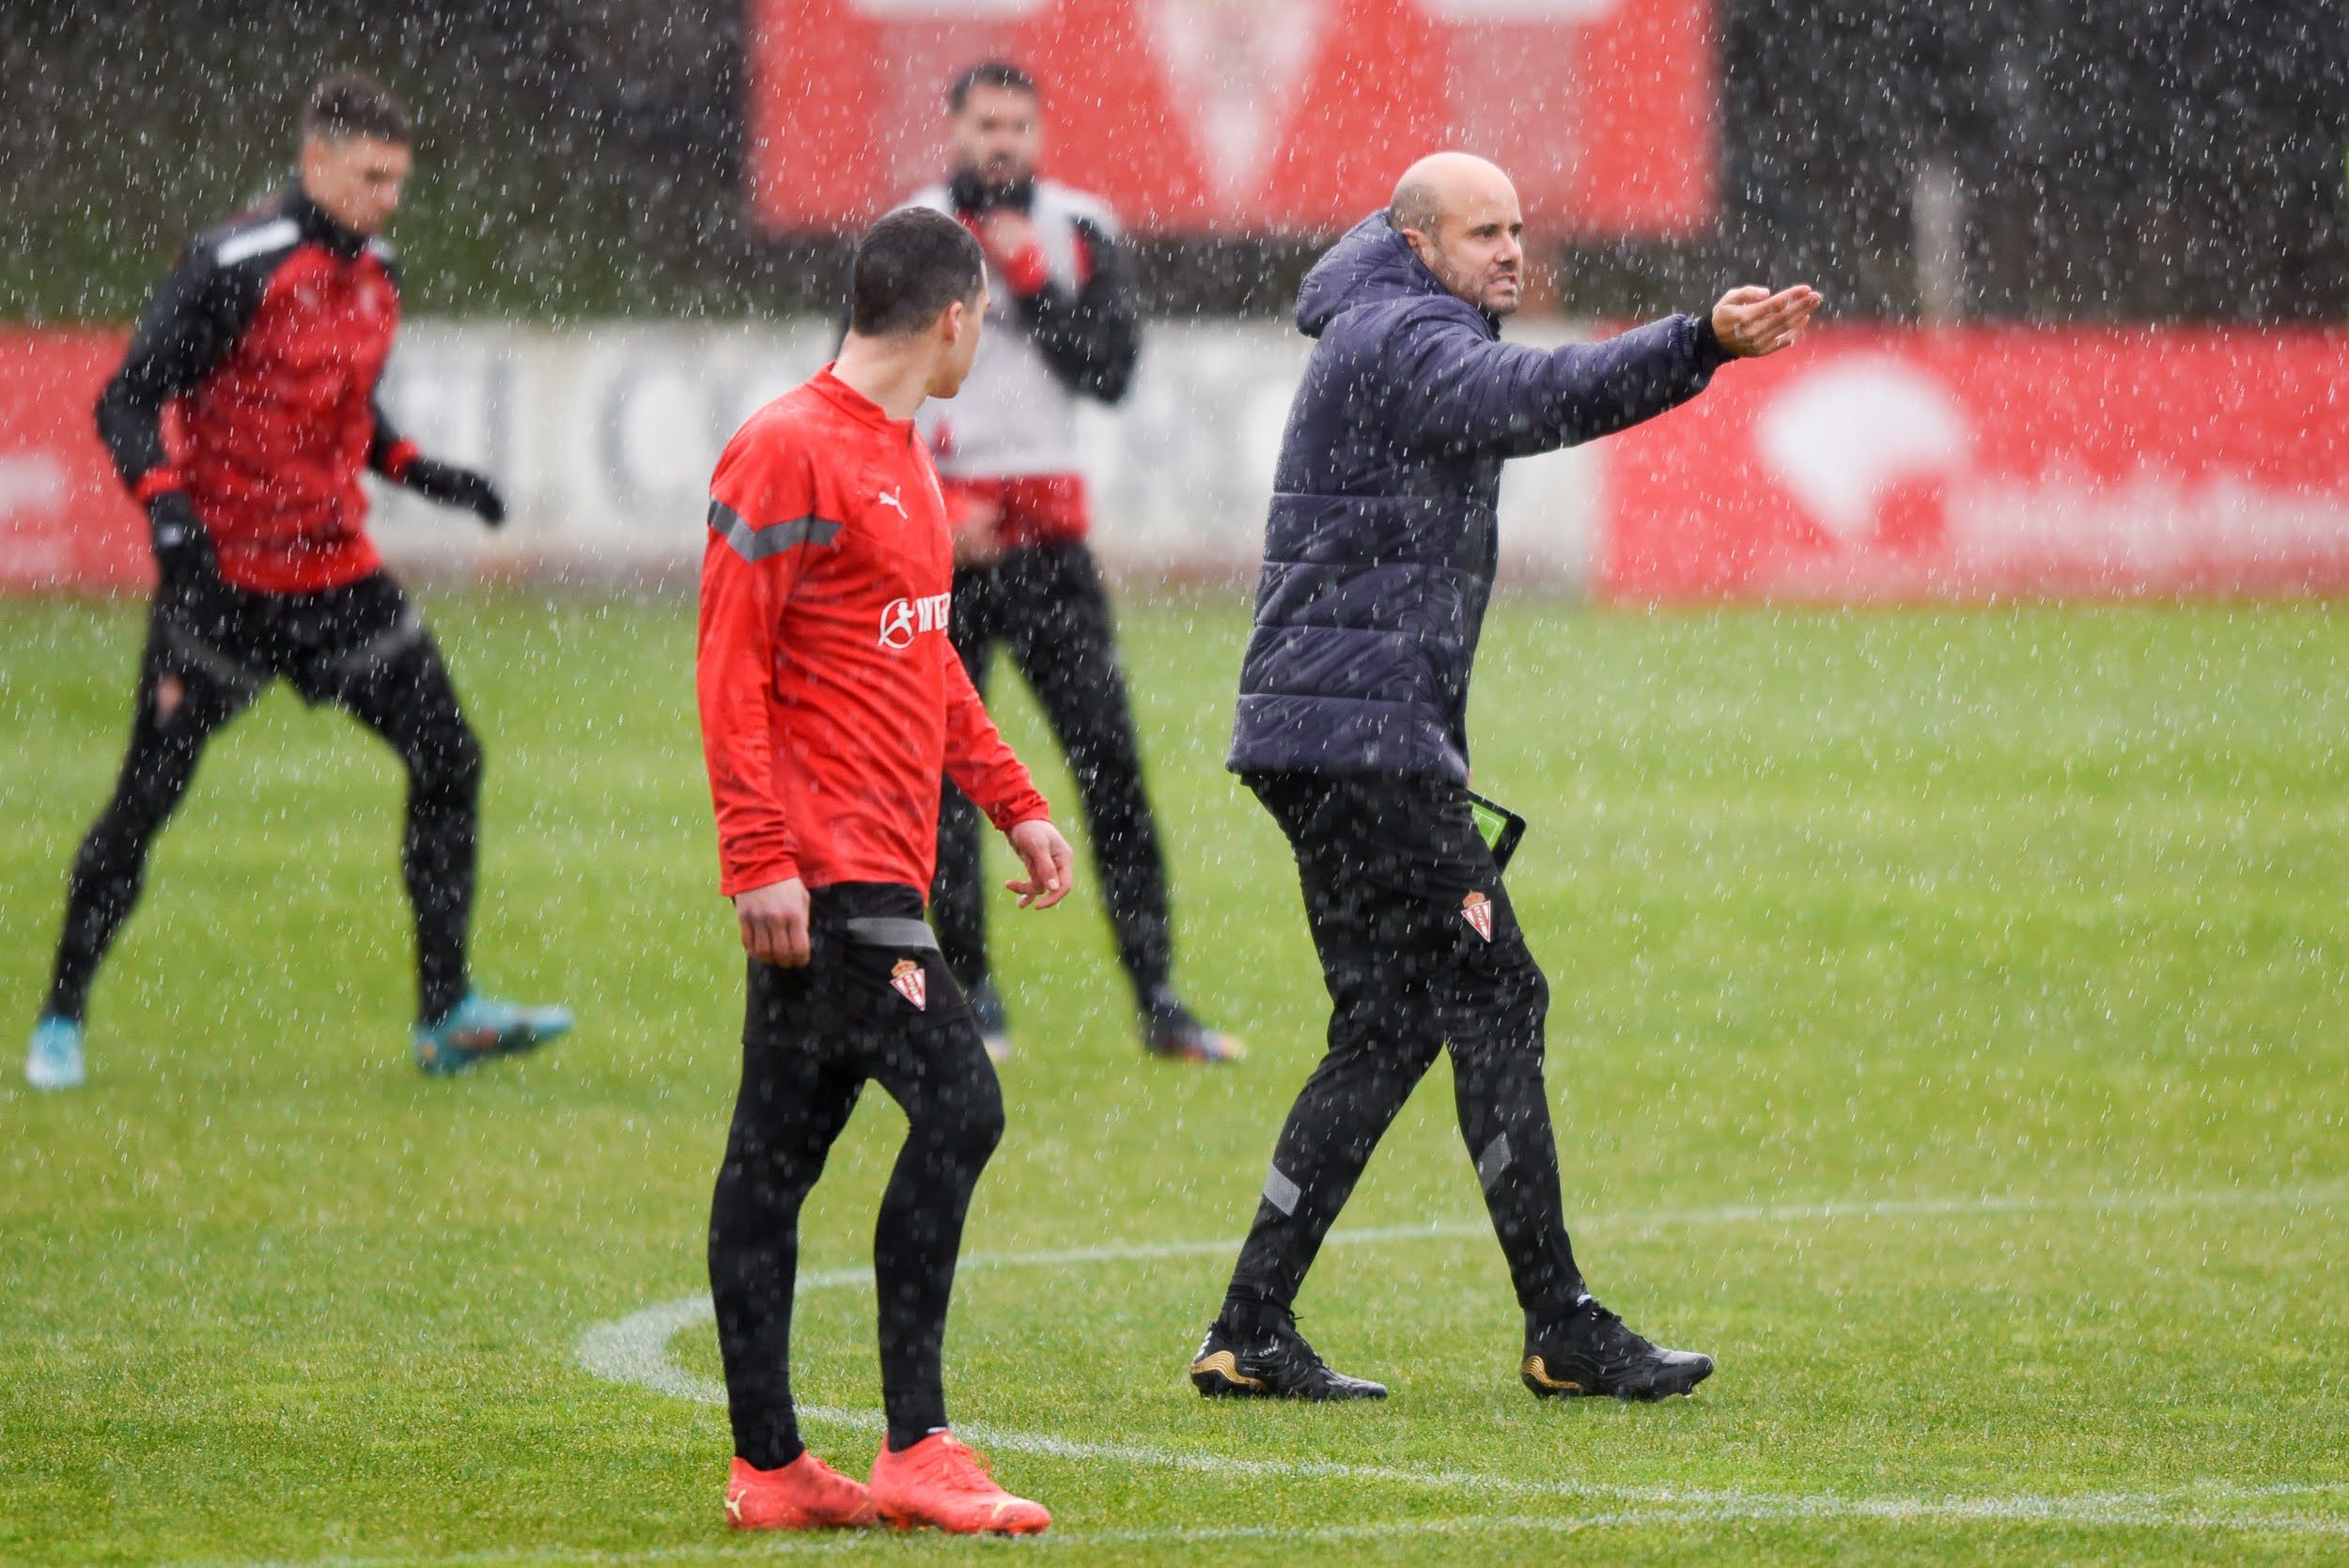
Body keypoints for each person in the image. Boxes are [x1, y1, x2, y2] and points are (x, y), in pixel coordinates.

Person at [1187, 154, 1822, 1403]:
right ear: (1417, 242)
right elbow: (1535, 395)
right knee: (1498, 996)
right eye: (1484, 232)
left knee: (1387, 1024)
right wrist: (1698, 341)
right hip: (1360, 742)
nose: (1511, 251)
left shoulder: (1388, 323)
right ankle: (1561, 1325)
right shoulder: (1401, 336)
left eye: (1519, 229)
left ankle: (1250, 1326)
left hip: (1325, 735)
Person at [23, 74, 569, 1092]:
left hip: (338, 579)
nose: (388, 198)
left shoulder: (379, 273)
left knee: (450, 757)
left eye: (398, 179)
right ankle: (60, 1013)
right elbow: (127, 402)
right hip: (225, 586)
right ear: (315, 161)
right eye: (372, 177)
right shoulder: (232, 264)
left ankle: (446, 1011)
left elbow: (347, 419)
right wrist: (171, 515)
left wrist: (428, 474)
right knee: (147, 795)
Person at [698, 207, 1074, 1535]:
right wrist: (759, 855)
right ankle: (915, 1444)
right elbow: (728, 668)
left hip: (877, 875)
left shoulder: (904, 458)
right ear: (957, 315)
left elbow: (925, 661)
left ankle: (772, 1468)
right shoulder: (787, 447)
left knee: (771, 1166)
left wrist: (1016, 800)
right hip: (831, 877)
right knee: (964, 1108)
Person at [900, 60, 1239, 1065]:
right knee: (942, 784)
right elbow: (863, 387)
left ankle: (1158, 997)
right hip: (941, 547)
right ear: (951, 130)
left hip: (1049, 551)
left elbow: (1113, 372)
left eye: (1017, 124)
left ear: (1039, 137)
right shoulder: (911, 233)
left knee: (1112, 769)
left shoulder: (1077, 230)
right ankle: (972, 997)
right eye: (983, 123)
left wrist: (1032, 281)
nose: (1000, 141)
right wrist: (931, 499)